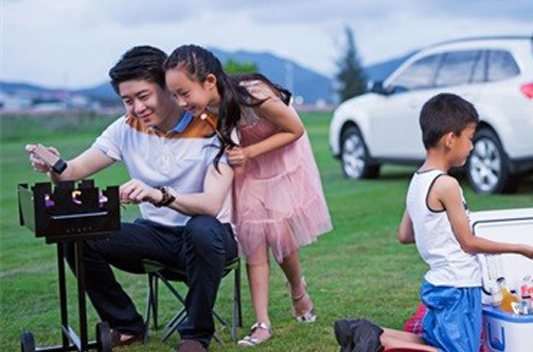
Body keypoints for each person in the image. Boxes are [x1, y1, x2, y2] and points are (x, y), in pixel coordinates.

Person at [27, 46, 237, 352]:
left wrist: (158, 194)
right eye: (128, 101)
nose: (137, 108)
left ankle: (195, 336)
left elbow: (211, 205)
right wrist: (54, 167)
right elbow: (72, 172)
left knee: (202, 227)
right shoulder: (126, 128)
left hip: (212, 237)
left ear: (168, 87)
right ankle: (126, 325)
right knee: (76, 233)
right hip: (156, 236)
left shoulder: (214, 126)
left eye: (143, 96)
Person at [335, 93, 533, 352]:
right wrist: (520, 249)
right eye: (470, 138)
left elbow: (405, 234)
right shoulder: (447, 185)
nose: (472, 147)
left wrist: (436, 234)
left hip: (438, 283)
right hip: (459, 286)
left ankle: (366, 331)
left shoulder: (417, 180)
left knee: (433, 343)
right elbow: (468, 243)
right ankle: (375, 340)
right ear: (451, 138)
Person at [163, 44, 332, 346]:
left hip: (280, 153)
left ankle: (298, 291)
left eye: (184, 93)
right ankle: (262, 323)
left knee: (279, 231)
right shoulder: (206, 111)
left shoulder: (253, 94)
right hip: (247, 165)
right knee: (254, 237)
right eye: (174, 95)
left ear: (210, 81)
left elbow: (295, 129)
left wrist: (250, 152)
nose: (179, 101)